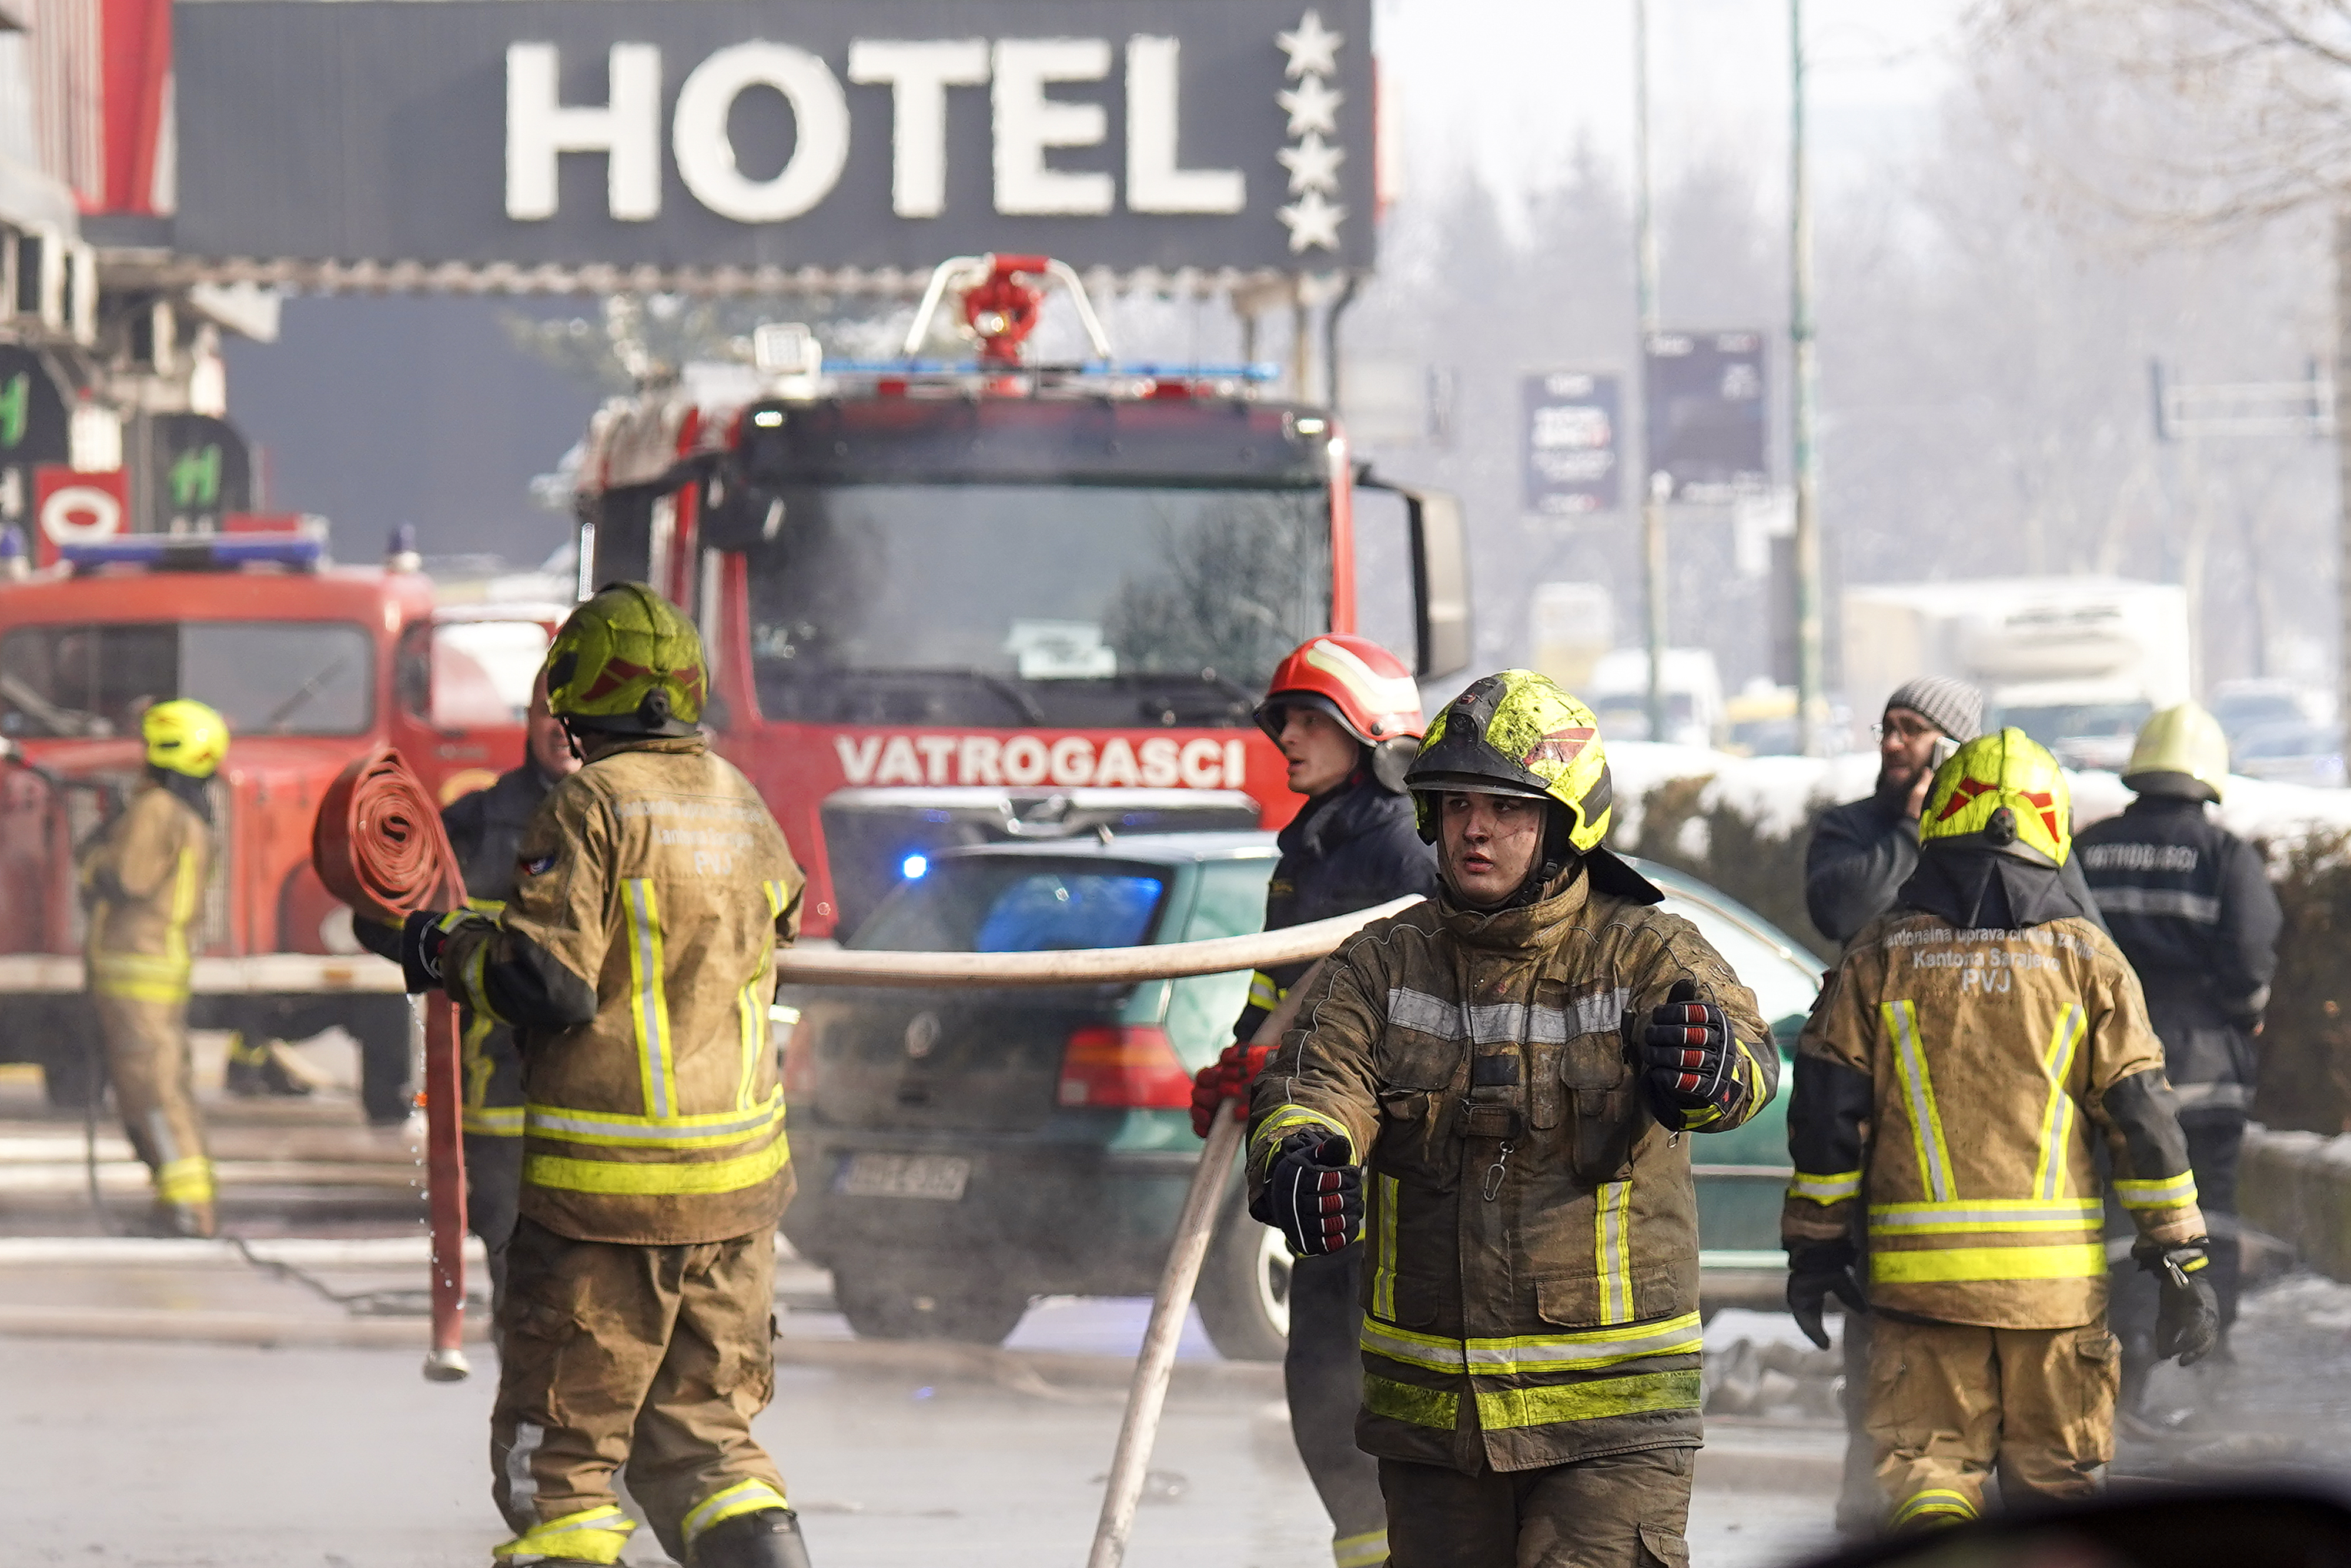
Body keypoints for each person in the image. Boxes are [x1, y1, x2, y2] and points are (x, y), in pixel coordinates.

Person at [1248, 670, 1775, 1568]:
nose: (1474, 828)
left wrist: (1710, 1069)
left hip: (1608, 1426)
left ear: (1564, 822)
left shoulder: (1645, 952)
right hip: (1435, 1423)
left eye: (1505, 807)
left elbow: (1749, 1062)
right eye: (1456, 803)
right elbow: (1315, 1078)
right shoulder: (1381, 963)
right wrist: (1300, 1150)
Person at [369, 584, 811, 1568]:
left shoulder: (589, 804)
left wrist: (442, 947)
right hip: (736, 1198)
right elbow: (770, 928)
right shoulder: (741, 801)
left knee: (558, 1474)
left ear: (577, 700)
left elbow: (549, 982)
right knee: (712, 1450)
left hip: (606, 1205)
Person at [1783, 728, 2219, 1530]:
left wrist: (1815, 1245)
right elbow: (2142, 1116)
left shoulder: (1878, 956)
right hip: (2056, 1301)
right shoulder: (2089, 962)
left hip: (1919, 1292)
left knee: (1928, 1475)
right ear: (2050, 829)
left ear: (1939, 822)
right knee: (2056, 1495)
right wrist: (2179, 1254)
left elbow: (1825, 1112)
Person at [1188, 634, 1438, 1568]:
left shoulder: (1405, 847)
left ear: (1368, 733)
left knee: (1377, 1383)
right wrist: (1242, 1060)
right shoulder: (1308, 845)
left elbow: (1410, 1005)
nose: (1286, 735)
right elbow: (1275, 984)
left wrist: (1284, 1060)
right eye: (1282, 718)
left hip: (1384, 1158)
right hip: (1313, 1151)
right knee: (1320, 1381)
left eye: (1306, 717)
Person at [2075, 703, 2280, 1403]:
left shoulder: (2089, 850)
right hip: (2204, 1070)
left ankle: (2128, 1349)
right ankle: (2207, 1358)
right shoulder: (2226, 856)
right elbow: (2250, 961)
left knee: (2119, 1206)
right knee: (2207, 1207)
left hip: (2106, 1064)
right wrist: (2241, 1015)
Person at [438, 669, 581, 1303]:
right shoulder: (478, 821)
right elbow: (389, 919)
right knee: (518, 1273)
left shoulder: (640, 821)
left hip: (608, 1109)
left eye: (578, 712)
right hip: (503, 1099)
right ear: (527, 719)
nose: (563, 727)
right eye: (549, 710)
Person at [79, 699, 229, 1239]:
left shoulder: (157, 809)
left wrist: (93, 853)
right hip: (153, 972)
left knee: (154, 1092)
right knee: (156, 1088)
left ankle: (188, 1208)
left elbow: (125, 878)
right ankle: (179, 1202)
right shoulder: (185, 812)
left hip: (137, 973)